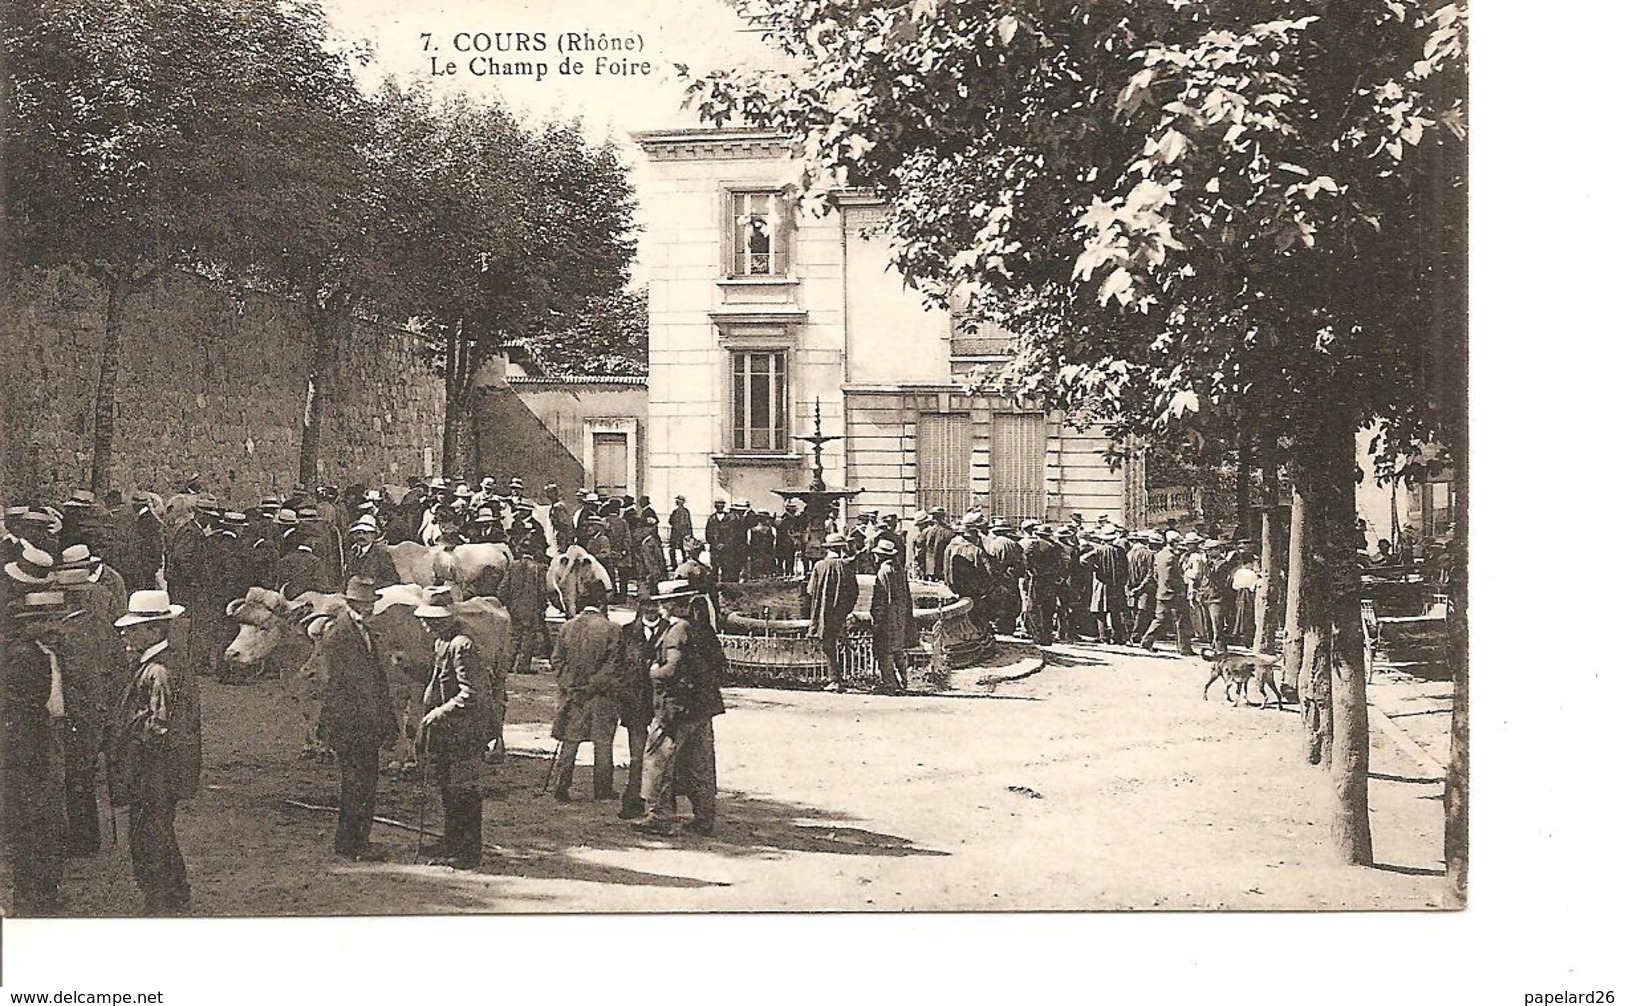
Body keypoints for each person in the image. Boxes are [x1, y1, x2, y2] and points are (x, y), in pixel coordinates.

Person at [109, 589, 201, 915]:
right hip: (166, 769)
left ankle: (160, 899)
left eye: (132, 630)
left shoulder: (158, 671)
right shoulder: (168, 661)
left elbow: (157, 728)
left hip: (154, 771)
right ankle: (176, 890)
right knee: (159, 830)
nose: (125, 636)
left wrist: (128, 750)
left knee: (148, 835)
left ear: (154, 630)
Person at [632, 580, 727, 837]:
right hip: (703, 706)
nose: (661, 607)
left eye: (663, 602)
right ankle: (705, 817)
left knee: (659, 759)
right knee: (701, 764)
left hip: (677, 707)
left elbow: (672, 667)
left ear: (671, 605)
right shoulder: (703, 629)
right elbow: (720, 664)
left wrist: (654, 673)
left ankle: (659, 815)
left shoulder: (677, 631)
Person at [3, 587, 77, 914]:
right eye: (50, 621)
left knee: (46, 826)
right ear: (34, 624)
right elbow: (21, 715)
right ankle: (32, 899)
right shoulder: (24, 658)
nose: (58, 627)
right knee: (34, 827)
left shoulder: (46, 653)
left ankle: (43, 892)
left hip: (45, 747)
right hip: (30, 755)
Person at [315, 577, 396, 861]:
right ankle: (351, 843)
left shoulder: (364, 631)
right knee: (356, 785)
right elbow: (341, 686)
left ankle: (358, 839)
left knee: (365, 783)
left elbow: (376, 680)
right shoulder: (340, 635)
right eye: (365, 604)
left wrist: (387, 722)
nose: (370, 609)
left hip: (366, 723)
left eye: (372, 603)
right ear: (351, 604)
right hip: (351, 724)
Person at [416, 587, 491, 869]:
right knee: (448, 789)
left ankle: (468, 853)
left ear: (442, 618)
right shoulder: (443, 641)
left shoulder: (462, 645)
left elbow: (471, 693)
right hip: (450, 733)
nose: (424, 623)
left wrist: (438, 712)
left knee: (464, 793)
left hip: (464, 733)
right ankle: (451, 840)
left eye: (429, 619)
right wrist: (410, 668)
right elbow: (440, 679)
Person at [548, 585, 621, 802]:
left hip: (572, 694)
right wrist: (592, 686)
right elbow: (613, 665)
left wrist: (569, 685)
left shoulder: (567, 627)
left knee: (570, 740)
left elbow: (556, 660)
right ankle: (602, 789)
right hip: (600, 696)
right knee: (603, 742)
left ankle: (561, 786)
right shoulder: (613, 629)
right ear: (602, 604)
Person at [614, 594, 664, 819]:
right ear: (639, 607)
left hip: (660, 703)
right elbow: (618, 667)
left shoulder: (669, 630)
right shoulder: (626, 633)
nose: (651, 609)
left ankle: (657, 806)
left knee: (660, 757)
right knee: (636, 756)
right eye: (646, 605)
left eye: (655, 604)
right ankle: (632, 800)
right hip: (634, 703)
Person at [806, 533, 859, 693]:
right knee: (844, 643)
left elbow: (810, 591)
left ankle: (834, 678)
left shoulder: (819, 566)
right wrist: (846, 609)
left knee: (828, 645)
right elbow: (854, 592)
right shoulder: (846, 566)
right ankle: (849, 674)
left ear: (827, 549)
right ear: (842, 548)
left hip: (824, 612)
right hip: (840, 612)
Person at [868, 539, 917, 693]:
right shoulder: (899, 569)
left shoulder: (883, 571)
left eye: (877, 554)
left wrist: (876, 618)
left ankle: (890, 684)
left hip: (888, 616)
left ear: (881, 555)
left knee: (884, 650)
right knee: (898, 650)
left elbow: (881, 598)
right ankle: (904, 680)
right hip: (900, 614)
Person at [1140, 531, 1195, 655]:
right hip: (1173, 594)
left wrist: (1162, 586)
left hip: (1162, 592)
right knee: (1181, 621)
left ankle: (1146, 641)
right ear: (1173, 543)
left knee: (1159, 619)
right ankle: (1184, 648)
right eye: (1178, 542)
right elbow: (1172, 577)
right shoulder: (1171, 557)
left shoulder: (1159, 555)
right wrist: (1180, 590)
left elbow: (1155, 574)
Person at [945, 513, 998, 637]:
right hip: (977, 593)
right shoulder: (976, 550)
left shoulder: (950, 546)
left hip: (955, 591)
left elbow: (946, 571)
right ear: (975, 531)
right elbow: (989, 574)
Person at [1089, 526, 1131, 644]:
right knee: (1115, 610)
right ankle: (1117, 636)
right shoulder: (1120, 551)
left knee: (1100, 610)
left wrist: (1095, 569)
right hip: (1116, 584)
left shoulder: (1098, 550)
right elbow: (1125, 568)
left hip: (1102, 583)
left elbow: (1084, 560)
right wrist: (1122, 580)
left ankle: (1103, 636)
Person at [983, 519, 1026, 635]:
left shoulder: (991, 544)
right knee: (1012, 602)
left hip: (997, 577)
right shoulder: (1013, 544)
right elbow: (1021, 564)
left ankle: (998, 626)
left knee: (998, 602)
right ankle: (1007, 627)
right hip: (1010, 578)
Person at [1126, 530, 1158, 644]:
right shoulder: (1149, 554)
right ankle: (1137, 634)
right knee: (1143, 611)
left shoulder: (1130, 553)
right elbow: (1150, 573)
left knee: (1134, 609)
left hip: (1132, 585)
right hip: (1145, 587)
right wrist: (1140, 586)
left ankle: (1132, 633)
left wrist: (1131, 586)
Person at [667, 496, 693, 569]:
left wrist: (689, 534)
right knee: (672, 550)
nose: (677, 502)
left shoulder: (685, 512)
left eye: (679, 500)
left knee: (683, 551)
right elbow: (670, 521)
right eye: (677, 500)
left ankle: (684, 565)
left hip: (682, 534)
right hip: (676, 533)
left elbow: (688, 523)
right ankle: (674, 565)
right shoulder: (675, 512)